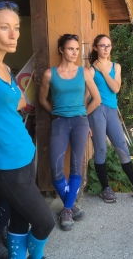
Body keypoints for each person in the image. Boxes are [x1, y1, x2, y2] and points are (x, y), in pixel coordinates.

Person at [0, 0, 54, 259]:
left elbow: (18, 101)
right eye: (4, 28)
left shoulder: (6, 68)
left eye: (17, 28)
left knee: (20, 221)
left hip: (25, 152)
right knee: (45, 222)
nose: (14, 35)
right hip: (3, 162)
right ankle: (37, 256)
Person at [39, 34, 101, 231]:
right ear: (61, 50)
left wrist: (82, 114)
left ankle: (65, 209)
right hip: (59, 122)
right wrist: (56, 113)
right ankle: (71, 205)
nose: (74, 53)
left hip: (80, 123)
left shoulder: (84, 73)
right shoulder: (50, 74)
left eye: (76, 49)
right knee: (55, 166)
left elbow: (97, 99)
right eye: (70, 49)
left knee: (76, 165)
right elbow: (42, 99)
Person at [87, 34, 133, 203]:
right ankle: (105, 188)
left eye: (108, 45)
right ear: (95, 48)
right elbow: (86, 94)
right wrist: (83, 117)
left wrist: (103, 71)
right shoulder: (90, 70)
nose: (105, 49)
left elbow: (116, 88)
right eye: (102, 45)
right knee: (101, 149)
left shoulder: (115, 67)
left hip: (111, 110)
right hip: (96, 111)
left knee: (122, 148)